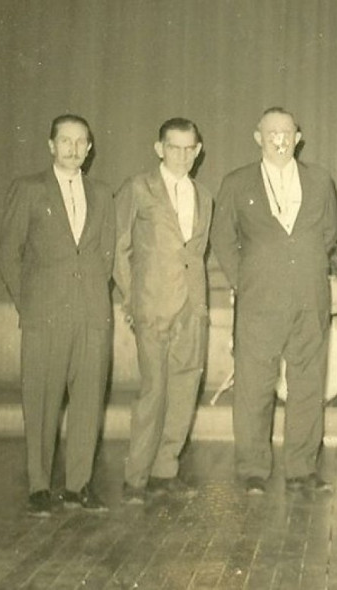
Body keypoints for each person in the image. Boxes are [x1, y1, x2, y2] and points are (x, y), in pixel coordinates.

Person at [210, 107, 337, 495]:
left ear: (298, 137)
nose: (280, 139)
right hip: (258, 303)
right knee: (253, 387)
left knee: (307, 386)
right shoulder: (237, 182)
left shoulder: (320, 180)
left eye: (287, 132)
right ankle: (252, 469)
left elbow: (329, 233)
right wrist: (245, 280)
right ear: (258, 138)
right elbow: (221, 238)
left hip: (308, 300)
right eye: (271, 133)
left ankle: (301, 468)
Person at [0, 114, 115, 516]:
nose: (74, 148)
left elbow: (106, 255)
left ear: (90, 147)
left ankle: (79, 485)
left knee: (88, 403)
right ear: (51, 145)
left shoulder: (101, 193)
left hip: (91, 317)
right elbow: (7, 254)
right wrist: (29, 304)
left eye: (81, 142)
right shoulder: (29, 189)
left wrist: (96, 304)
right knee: (42, 401)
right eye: (65, 141)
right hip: (44, 317)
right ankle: (39, 486)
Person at [114, 118, 213, 504]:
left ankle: (164, 470)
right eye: (175, 147)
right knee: (153, 392)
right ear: (159, 149)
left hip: (193, 308)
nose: (183, 155)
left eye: (190, 148)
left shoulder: (204, 195)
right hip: (153, 307)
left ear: (199, 150)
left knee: (185, 390)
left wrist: (201, 305)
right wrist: (132, 298)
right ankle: (135, 477)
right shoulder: (138, 188)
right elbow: (119, 250)